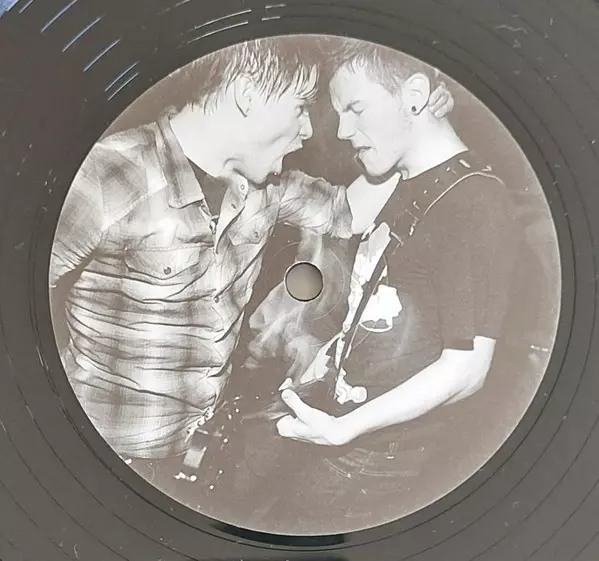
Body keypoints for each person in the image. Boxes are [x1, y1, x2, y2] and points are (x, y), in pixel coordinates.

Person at [50, 36, 452, 509]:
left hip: (196, 460)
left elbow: (350, 212)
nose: (308, 130)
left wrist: (410, 130)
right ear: (247, 94)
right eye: (300, 107)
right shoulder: (105, 174)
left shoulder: (267, 187)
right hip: (100, 463)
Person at [264, 39, 519, 532]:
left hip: (375, 458)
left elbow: (467, 369)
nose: (342, 131)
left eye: (356, 109)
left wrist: (345, 429)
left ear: (416, 96)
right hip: (342, 434)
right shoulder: (407, 177)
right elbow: (397, 298)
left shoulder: (474, 202)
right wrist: (333, 354)